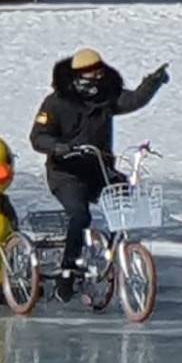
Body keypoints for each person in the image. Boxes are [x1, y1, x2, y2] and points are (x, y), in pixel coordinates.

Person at [28, 49, 170, 301]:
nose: (98, 74)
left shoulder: (105, 98)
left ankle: (114, 251)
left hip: (99, 169)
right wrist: (58, 147)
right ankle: (68, 270)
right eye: (93, 71)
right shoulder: (56, 102)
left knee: (125, 198)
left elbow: (133, 100)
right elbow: (38, 137)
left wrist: (152, 82)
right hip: (67, 174)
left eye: (100, 69)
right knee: (80, 215)